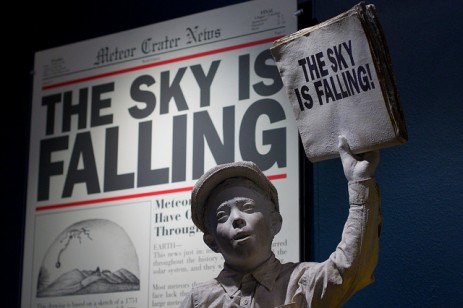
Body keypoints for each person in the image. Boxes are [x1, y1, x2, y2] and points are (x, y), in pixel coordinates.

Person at [180, 136, 381, 308]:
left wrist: (359, 183)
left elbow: (351, 267)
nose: (237, 218)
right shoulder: (198, 301)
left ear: (275, 222)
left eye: (248, 207)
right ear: (211, 241)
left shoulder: (303, 282)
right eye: (222, 215)